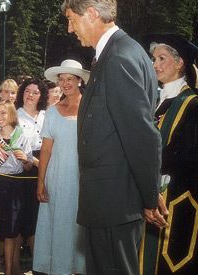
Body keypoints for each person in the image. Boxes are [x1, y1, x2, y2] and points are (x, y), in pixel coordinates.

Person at [62, 0, 164, 274]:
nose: (70, 28)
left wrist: (150, 195)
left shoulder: (119, 56)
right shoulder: (116, 53)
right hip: (110, 199)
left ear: (93, 14)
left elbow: (141, 134)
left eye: (72, 19)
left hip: (115, 202)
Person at [140, 34, 198, 275]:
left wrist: (154, 187)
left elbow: (188, 160)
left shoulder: (192, 104)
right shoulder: (154, 100)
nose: (155, 64)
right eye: (154, 59)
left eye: (162, 58)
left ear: (180, 62)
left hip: (175, 199)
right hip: (149, 198)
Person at [33, 59, 89, 275]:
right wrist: (41, 183)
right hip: (55, 178)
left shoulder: (89, 107)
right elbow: (46, 150)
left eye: (70, 79)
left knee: (77, 225)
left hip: (81, 178)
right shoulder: (53, 111)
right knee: (56, 224)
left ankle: (79, 269)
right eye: (62, 79)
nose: (66, 83)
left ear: (79, 81)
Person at [0, 100, 33, 275]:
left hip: (15, 185)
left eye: (3, 113)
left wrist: (25, 159)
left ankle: (9, 270)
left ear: (12, 115)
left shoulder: (22, 136)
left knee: (11, 232)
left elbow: (27, 166)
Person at [12, 77, 48, 272]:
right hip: (21, 171)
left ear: (41, 96)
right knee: (19, 221)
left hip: (44, 171)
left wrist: (40, 164)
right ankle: (15, 267)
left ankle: (39, 266)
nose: (30, 95)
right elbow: (13, 146)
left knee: (37, 222)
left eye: (35, 92)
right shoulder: (15, 116)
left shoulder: (48, 115)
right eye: (27, 91)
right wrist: (32, 162)